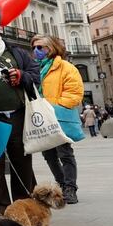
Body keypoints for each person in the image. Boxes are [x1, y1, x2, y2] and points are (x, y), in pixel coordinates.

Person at [0, 32, 39, 215]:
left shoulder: (14, 51)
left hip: (17, 115)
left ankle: (25, 206)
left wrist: (21, 76)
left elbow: (35, 75)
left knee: (22, 160)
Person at [31, 35, 84, 204]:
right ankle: (61, 184)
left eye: (40, 47)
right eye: (33, 48)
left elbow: (74, 93)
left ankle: (70, 188)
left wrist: (55, 107)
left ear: (51, 48)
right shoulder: (34, 68)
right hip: (41, 118)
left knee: (65, 153)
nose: (36, 51)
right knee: (48, 154)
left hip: (58, 117)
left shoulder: (65, 67)